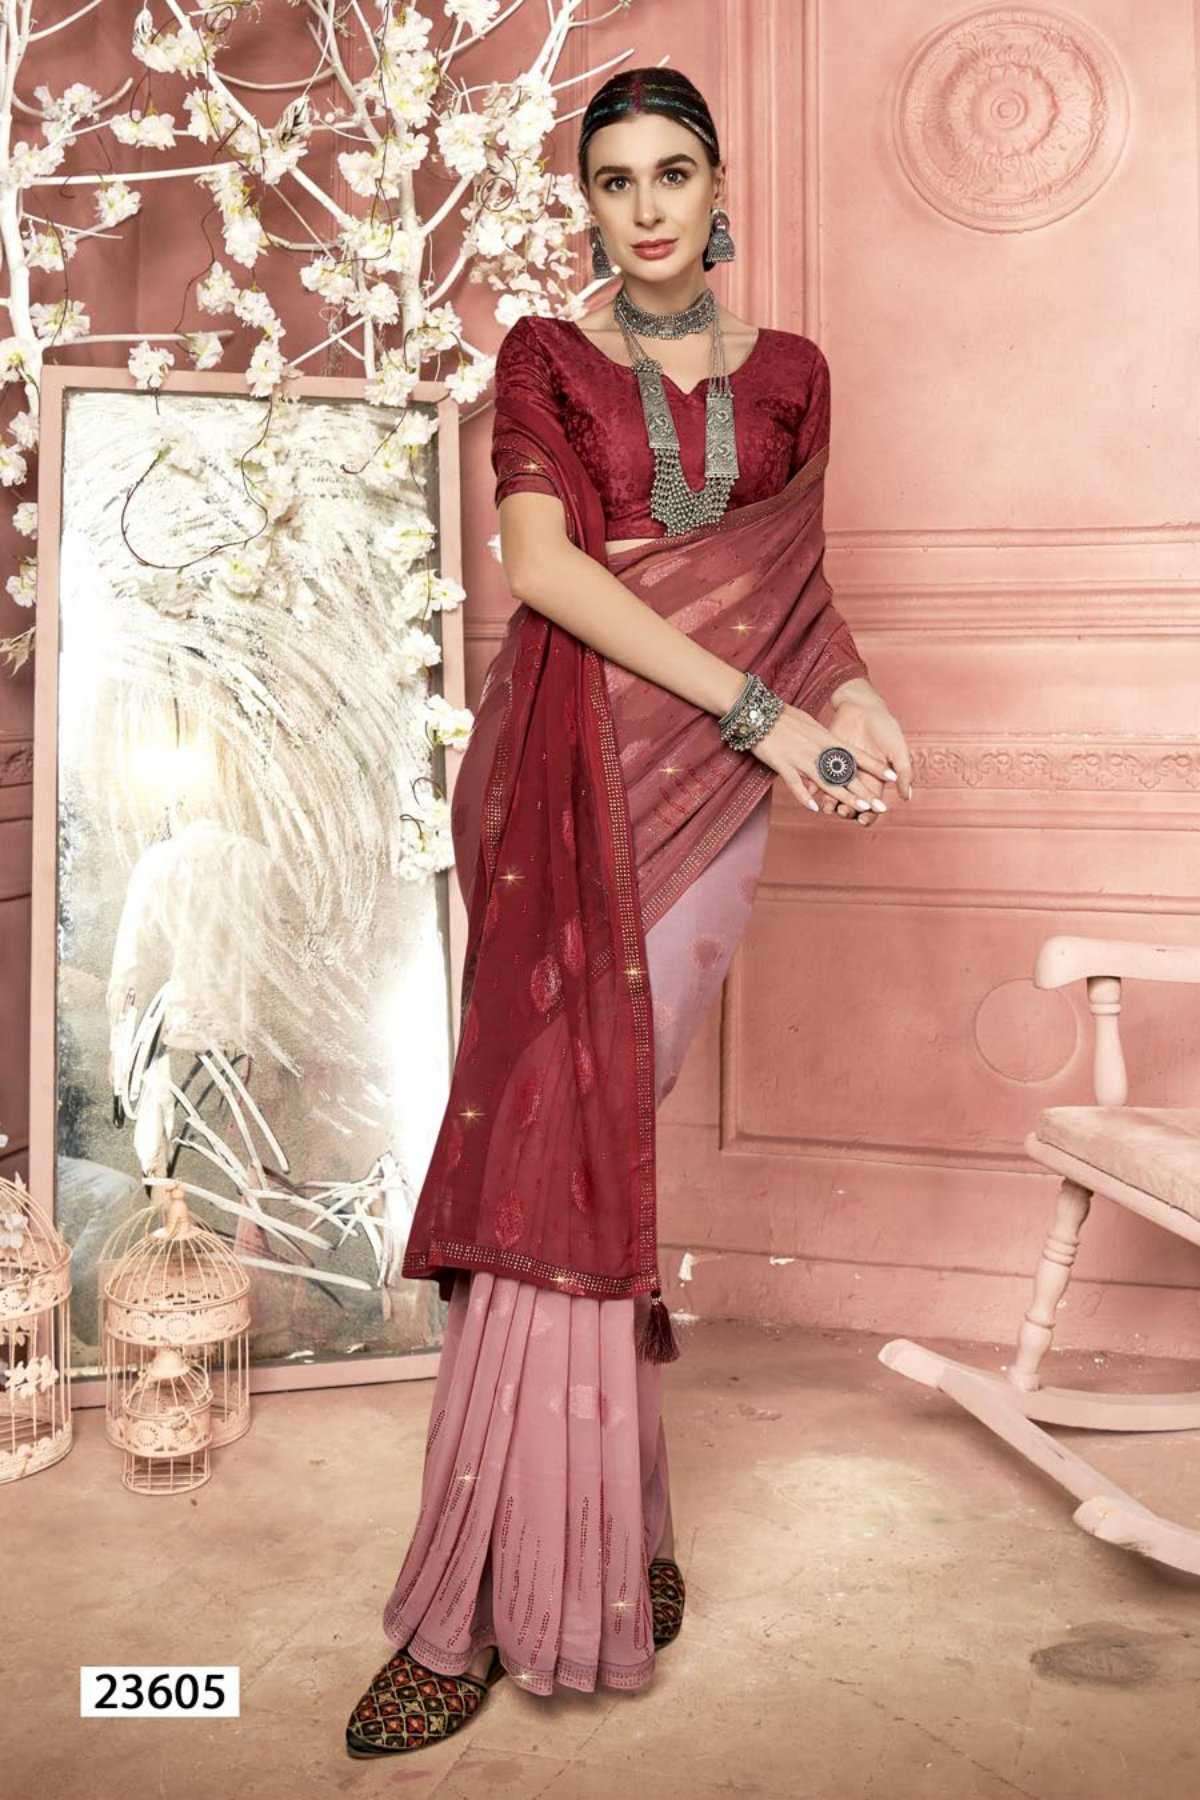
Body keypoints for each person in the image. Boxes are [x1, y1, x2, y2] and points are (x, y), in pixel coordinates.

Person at [345, 65, 913, 1757]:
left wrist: (853, 700)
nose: (647, 206)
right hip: (568, 787)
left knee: (600, 1142)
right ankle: (494, 1581)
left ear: (717, 185)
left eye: (674, 172)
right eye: (615, 179)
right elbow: (543, 569)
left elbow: (799, 592)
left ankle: (595, 1533)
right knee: (552, 1135)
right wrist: (771, 714)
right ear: (586, 201)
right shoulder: (545, 357)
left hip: (713, 815)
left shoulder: (795, 376)